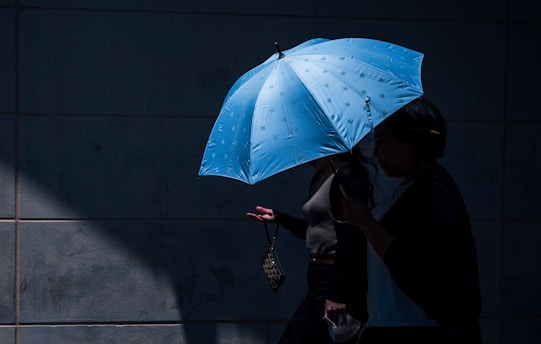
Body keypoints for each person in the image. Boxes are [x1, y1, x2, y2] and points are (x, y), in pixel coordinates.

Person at [341, 96, 483, 343]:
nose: (375, 152)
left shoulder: (436, 192)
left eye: (383, 142)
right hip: (391, 325)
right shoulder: (409, 188)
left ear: (413, 143)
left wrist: (366, 223)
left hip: (419, 330)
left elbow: (419, 270)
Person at [247, 148, 374, 344]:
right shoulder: (320, 176)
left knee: (336, 340)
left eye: (312, 150)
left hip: (337, 280)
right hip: (317, 279)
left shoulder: (347, 175)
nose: (306, 158)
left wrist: (338, 294)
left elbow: (351, 237)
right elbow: (316, 228)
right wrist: (280, 218)